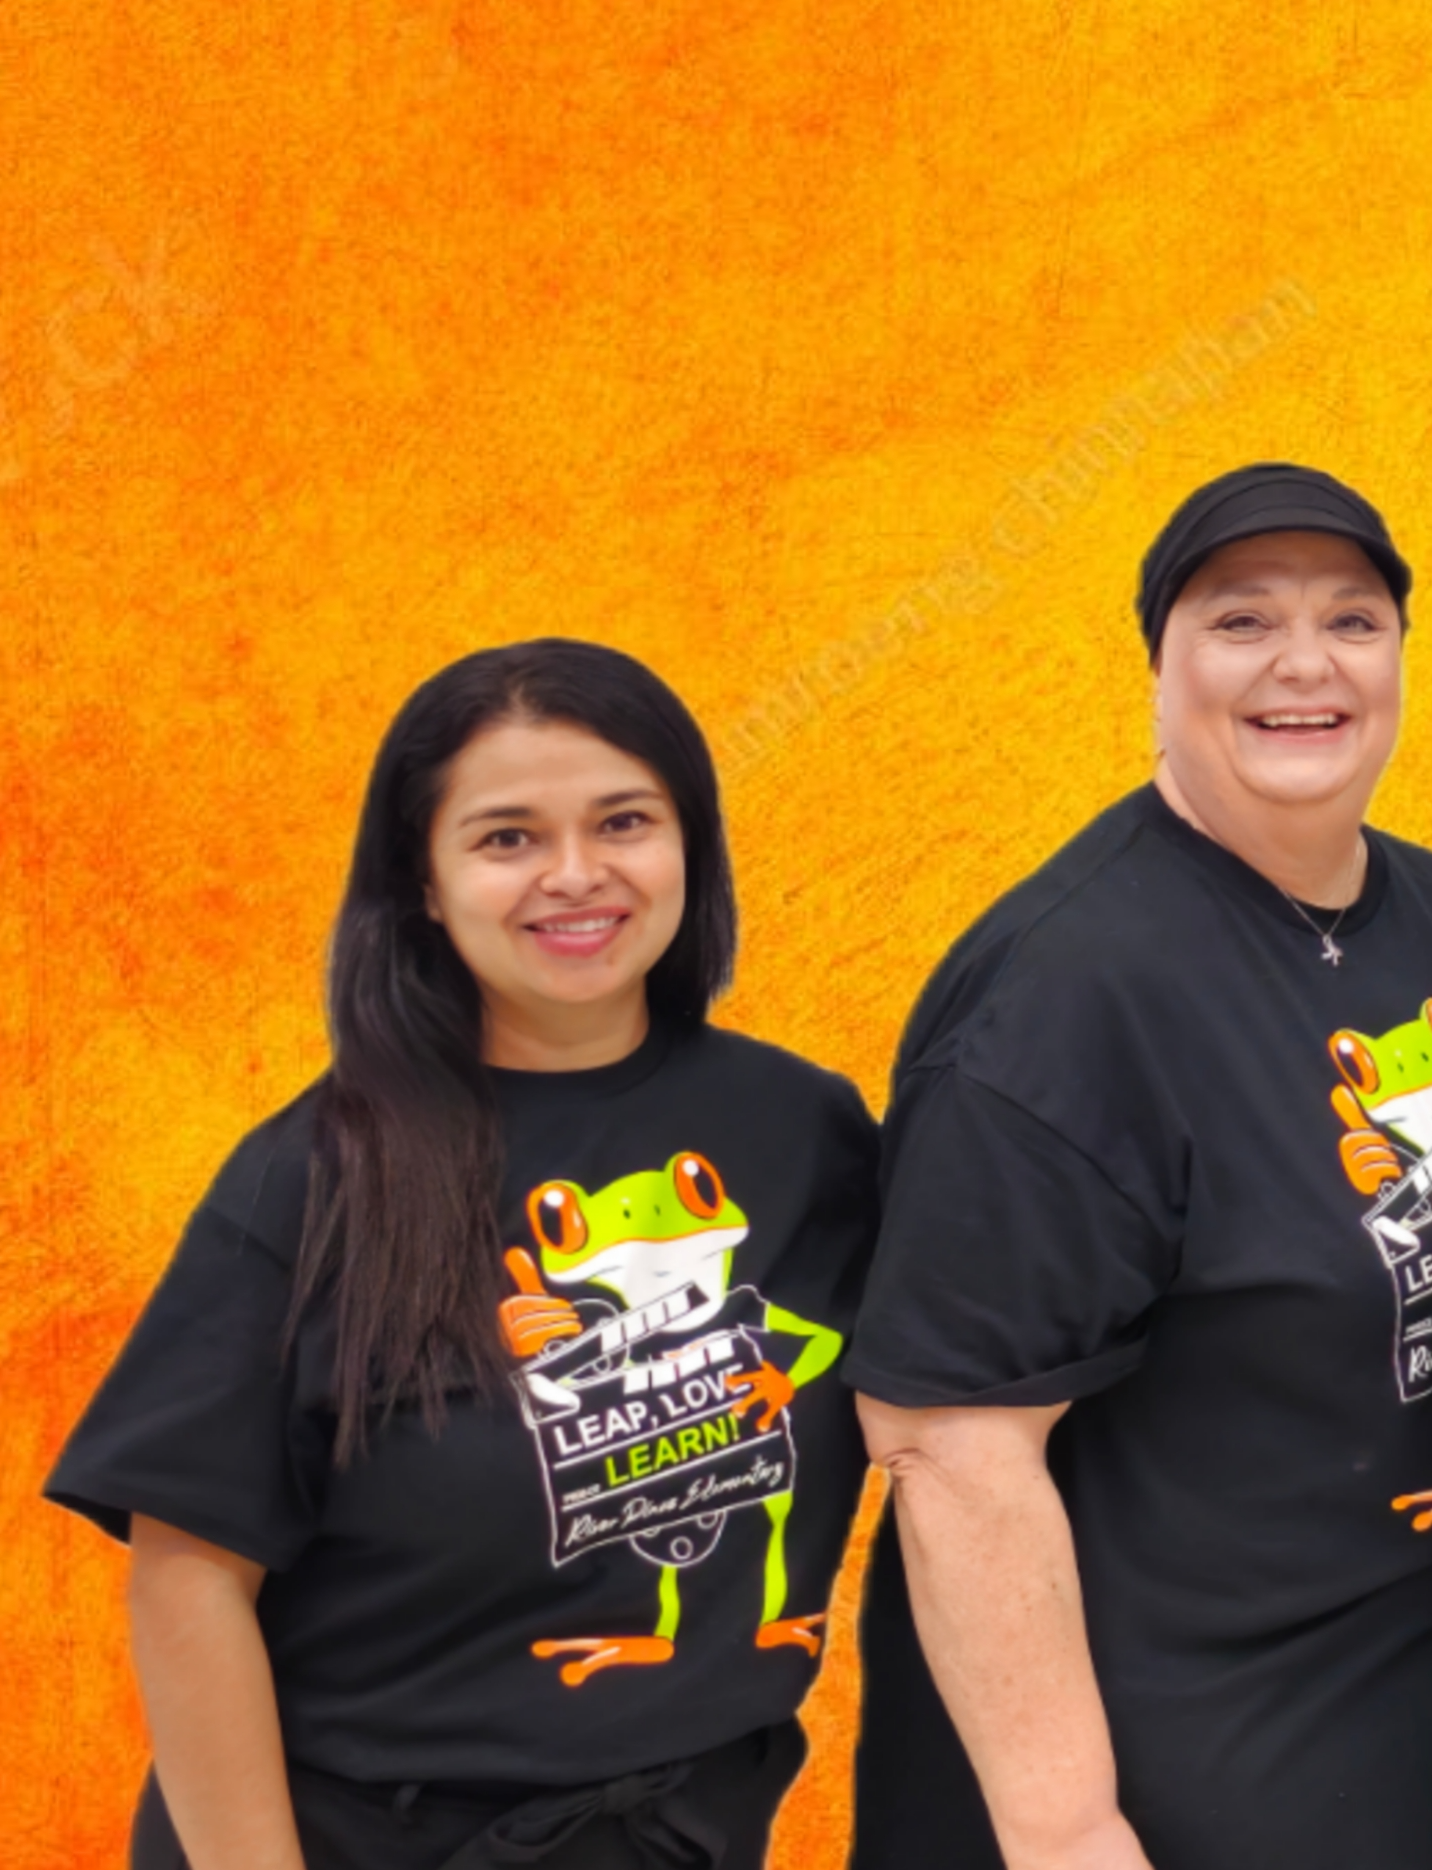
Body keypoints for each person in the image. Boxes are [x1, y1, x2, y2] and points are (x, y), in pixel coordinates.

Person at [50, 640, 873, 1868]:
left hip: (679, 1827)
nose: (577, 875)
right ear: (424, 883)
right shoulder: (315, 1175)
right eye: (506, 838)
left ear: (688, 844)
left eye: (623, 821)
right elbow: (186, 1579)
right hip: (354, 1836)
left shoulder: (807, 1130)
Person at [847, 464, 1432, 1870]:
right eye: (1241, 622)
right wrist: (1068, 1836)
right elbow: (952, 1446)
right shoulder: (1062, 995)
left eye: (1352, 621)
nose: (1305, 663)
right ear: (1157, 665)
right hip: (1193, 1799)